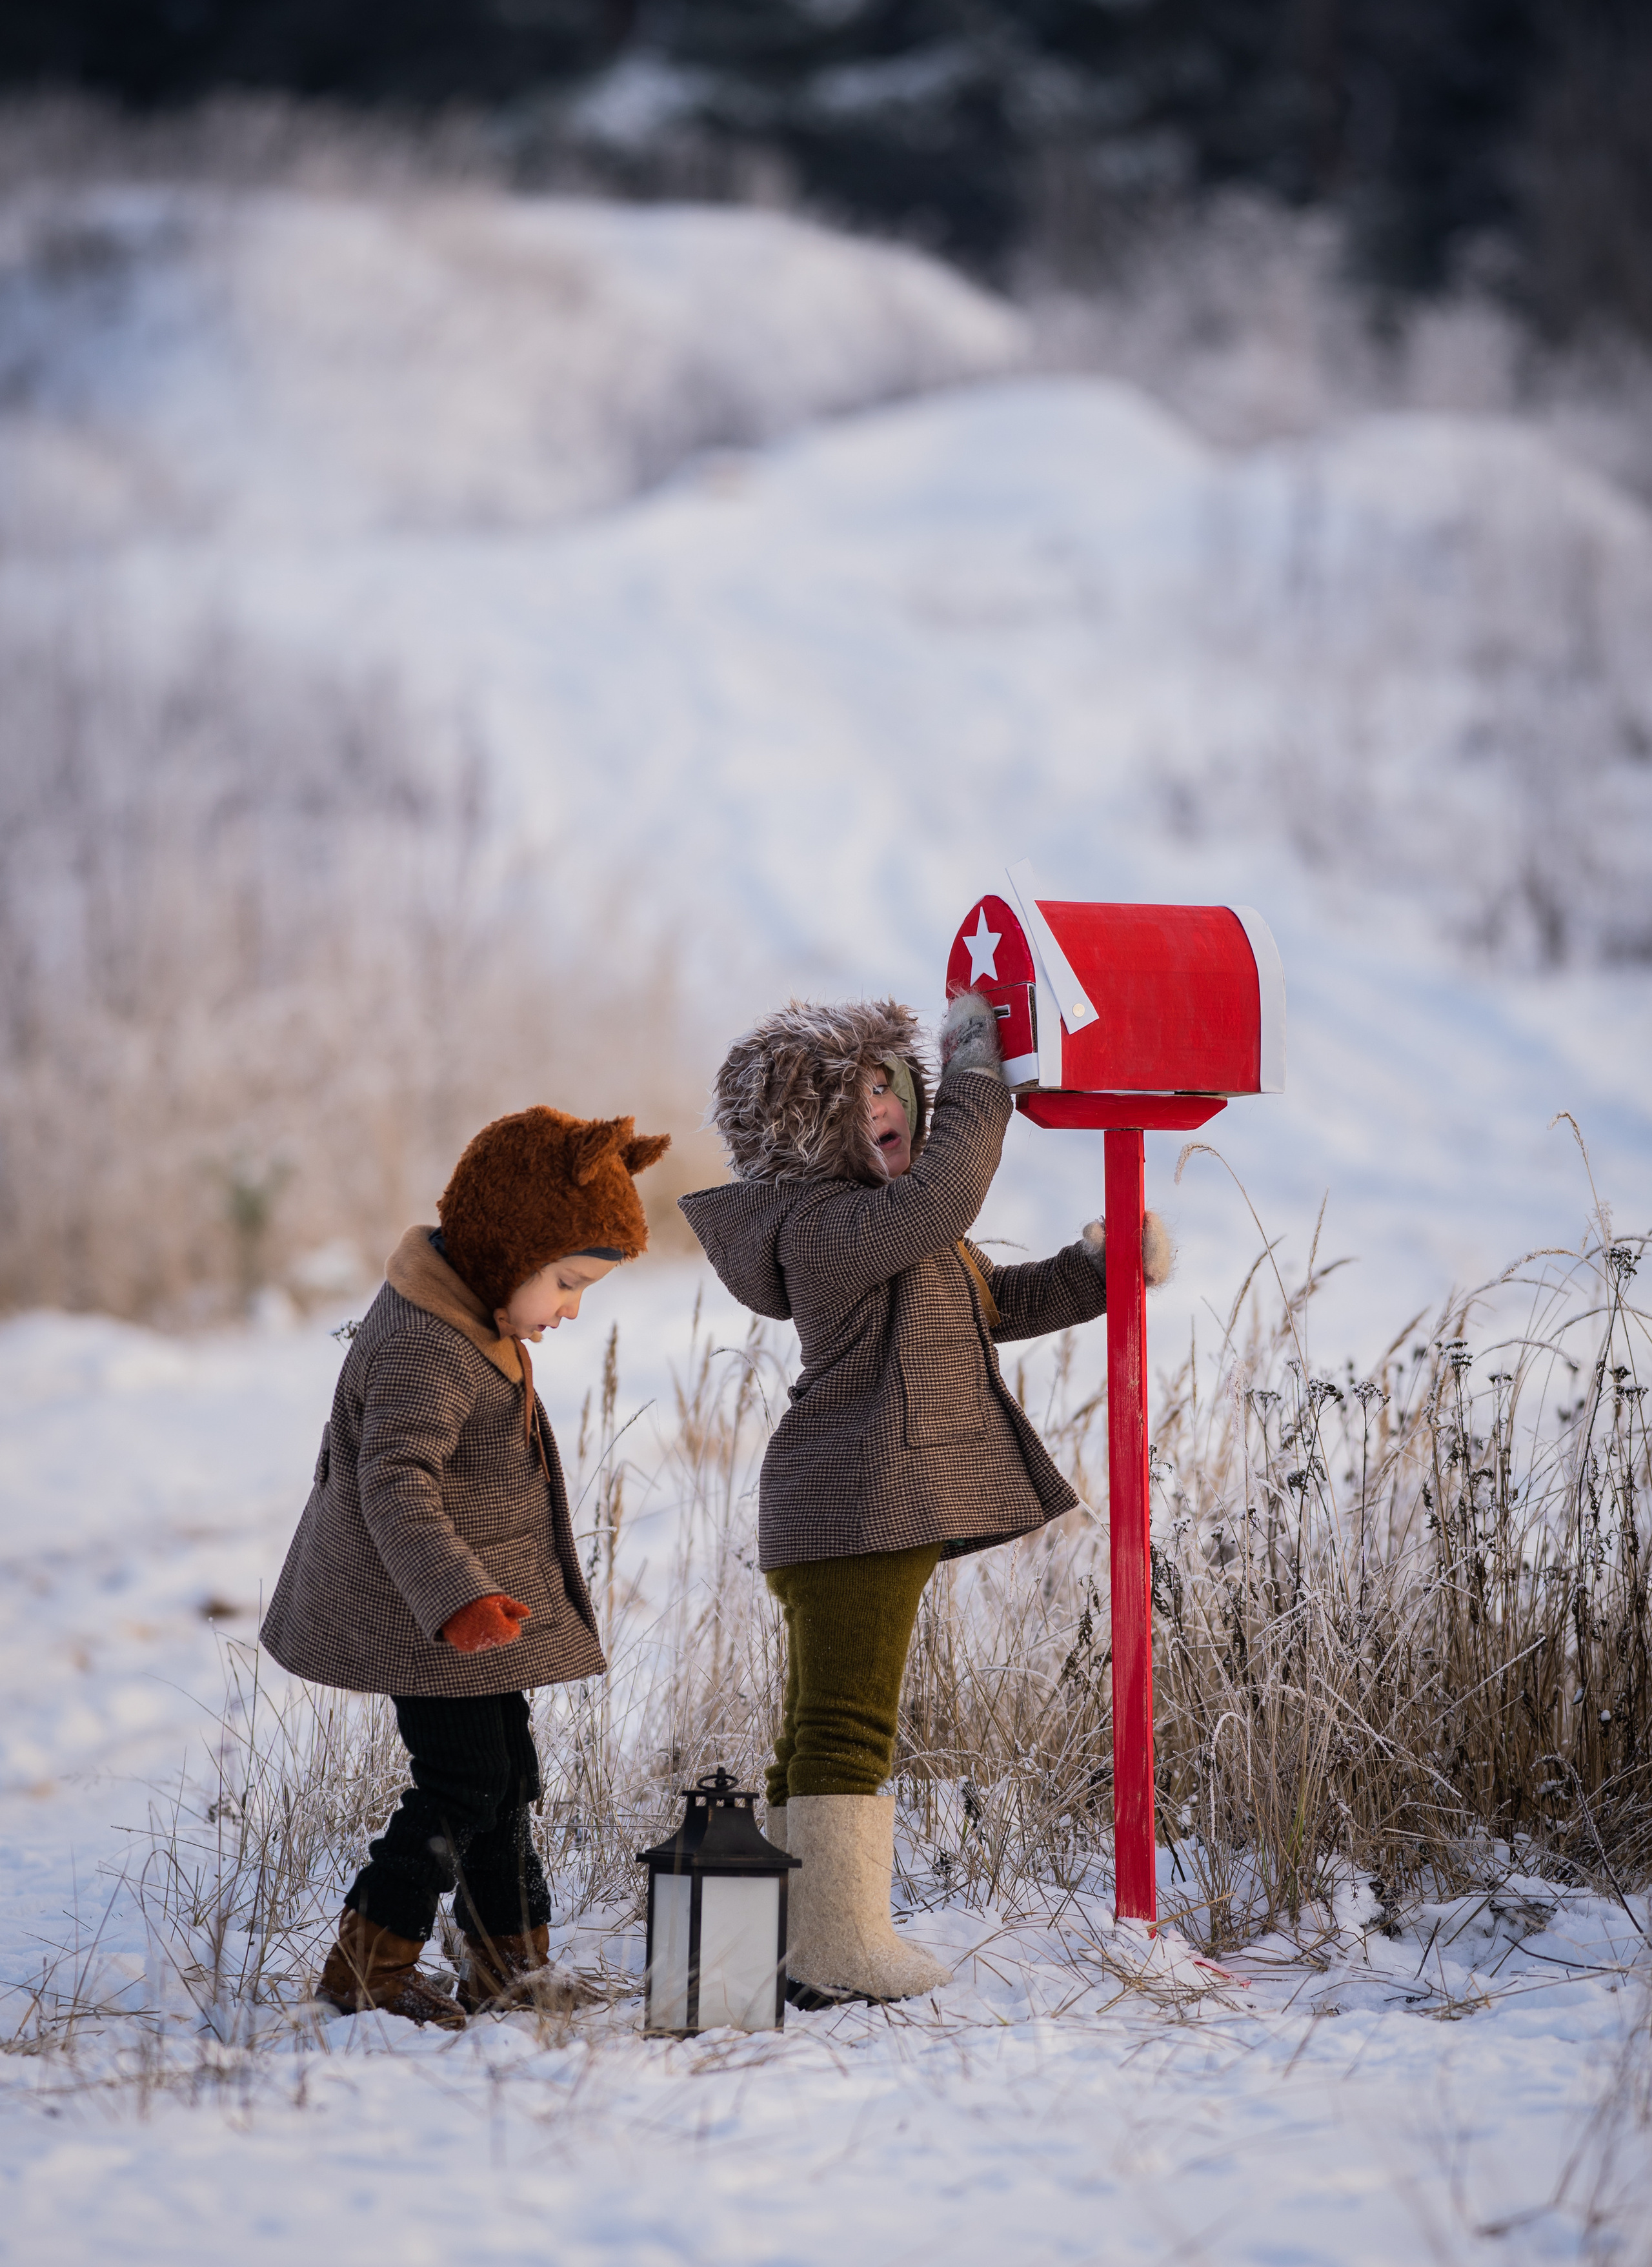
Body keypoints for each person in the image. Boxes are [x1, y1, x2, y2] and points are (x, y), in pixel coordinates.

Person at [678, 991, 1171, 2006]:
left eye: (893, 1081)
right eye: (857, 1096)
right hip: (851, 1500)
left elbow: (1000, 1306)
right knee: (847, 1727)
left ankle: (793, 1940)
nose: (888, 1102)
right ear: (804, 1133)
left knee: (820, 1724)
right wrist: (980, 1083)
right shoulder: (829, 1229)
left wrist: (1101, 1266)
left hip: (861, 1503)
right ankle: (837, 1945)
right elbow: (947, 1199)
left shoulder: (900, 1233)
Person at [262, 1106, 670, 2028]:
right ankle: (370, 1964)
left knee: (509, 1772)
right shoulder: (426, 1341)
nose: (569, 1310)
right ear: (506, 1248)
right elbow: (395, 1482)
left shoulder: (470, 1315)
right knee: (462, 1784)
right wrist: (459, 1595)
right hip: (426, 1616)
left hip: (464, 1613)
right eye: (567, 1283)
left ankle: (507, 1965)